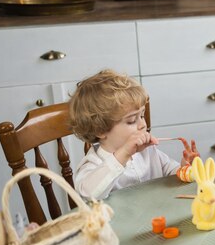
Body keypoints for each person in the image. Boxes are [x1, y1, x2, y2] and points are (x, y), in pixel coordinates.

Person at [69, 69, 199, 200]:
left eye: (142, 115)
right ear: (100, 130)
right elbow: (88, 194)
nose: (143, 124)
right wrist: (124, 153)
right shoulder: (92, 164)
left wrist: (186, 168)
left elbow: (172, 174)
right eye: (131, 120)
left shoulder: (149, 153)